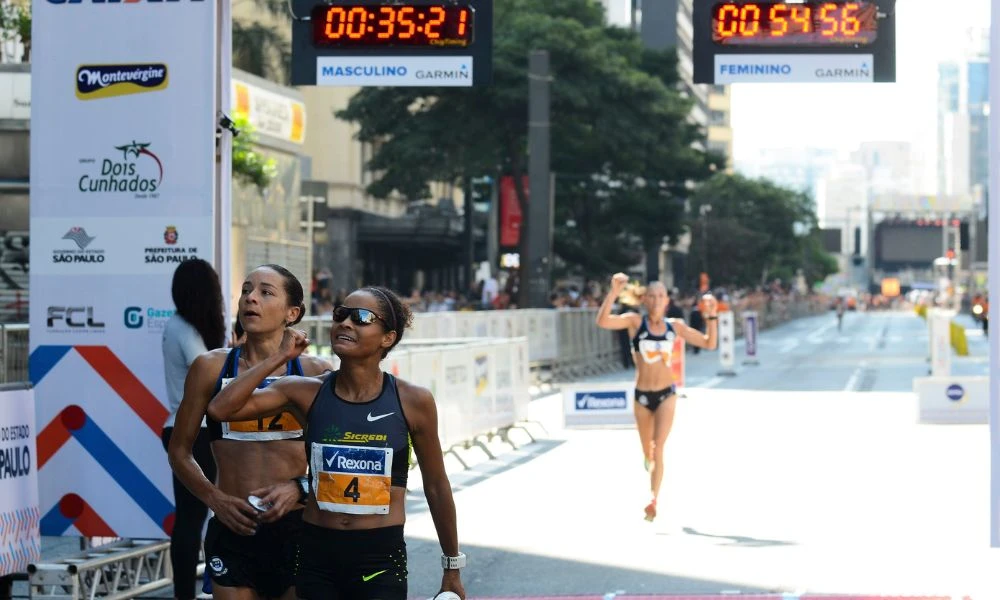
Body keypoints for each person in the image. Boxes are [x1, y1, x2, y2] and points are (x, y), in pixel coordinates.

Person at [206, 286, 466, 600]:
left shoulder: (413, 400)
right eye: (340, 315)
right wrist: (278, 358)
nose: (345, 323)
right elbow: (220, 409)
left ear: (388, 337)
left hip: (379, 557)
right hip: (317, 554)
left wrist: (452, 566)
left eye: (361, 318)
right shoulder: (305, 392)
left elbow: (436, 485)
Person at [168, 264, 333, 600]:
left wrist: (299, 487)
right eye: (246, 291)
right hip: (234, 525)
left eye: (265, 292)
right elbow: (179, 451)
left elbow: (337, 458)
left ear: (293, 313)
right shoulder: (210, 367)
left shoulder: (316, 372)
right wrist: (214, 498)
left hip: (298, 527)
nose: (250, 299)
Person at [595, 273, 718, 522]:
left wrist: (712, 314)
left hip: (666, 394)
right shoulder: (634, 322)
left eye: (661, 295)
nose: (656, 299)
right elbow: (603, 321)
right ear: (645, 299)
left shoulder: (675, 326)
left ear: (667, 301)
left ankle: (653, 499)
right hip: (642, 396)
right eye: (651, 295)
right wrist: (614, 292)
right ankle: (648, 464)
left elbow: (709, 343)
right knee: (647, 451)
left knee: (657, 446)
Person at [161, 259, 226, 600]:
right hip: (193, 432)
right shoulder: (182, 329)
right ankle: (186, 593)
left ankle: (192, 590)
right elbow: (213, 375)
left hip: (191, 430)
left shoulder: (186, 327)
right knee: (193, 518)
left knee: (194, 516)